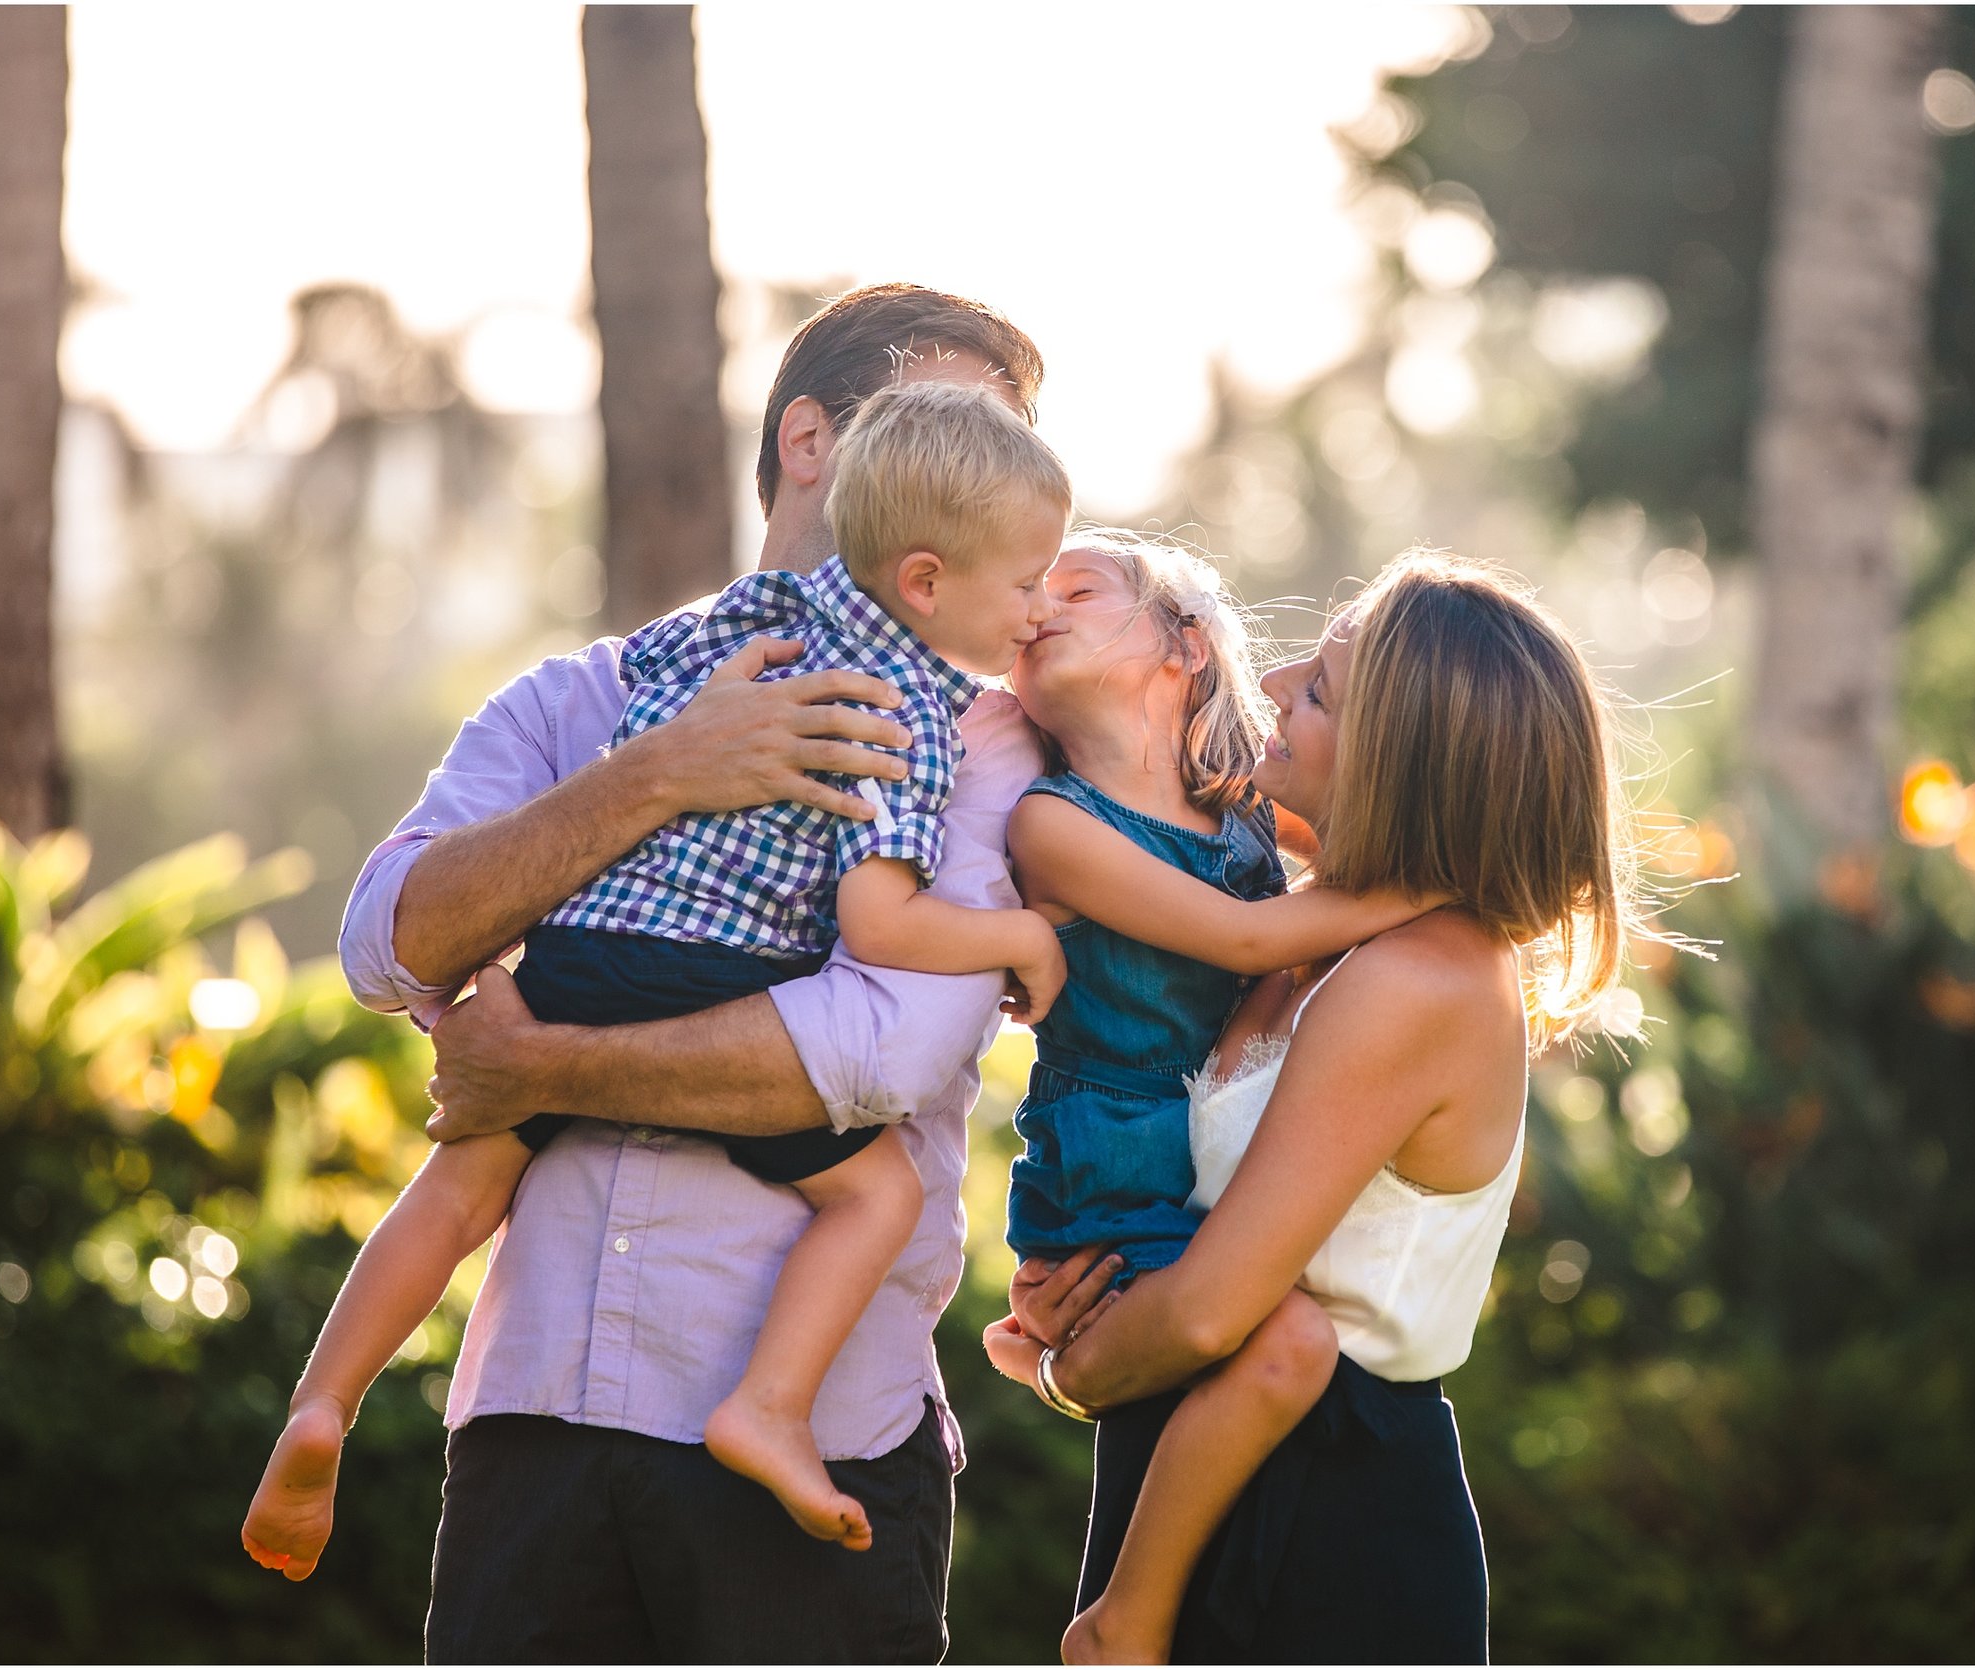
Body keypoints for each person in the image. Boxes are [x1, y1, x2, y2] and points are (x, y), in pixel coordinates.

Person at [284, 284, 1053, 1662]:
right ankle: (317, 1409)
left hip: (823, 1440)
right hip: (533, 1429)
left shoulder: (981, 741)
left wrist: (547, 1064)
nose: (990, 470)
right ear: (812, 440)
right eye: (946, 421)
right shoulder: (597, 695)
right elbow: (385, 941)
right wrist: (659, 773)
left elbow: (879, 1048)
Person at [988, 550, 1656, 1662]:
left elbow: (1209, 1313)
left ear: (1402, 758)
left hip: (1322, 1508)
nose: (1280, 677)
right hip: (1195, 1448)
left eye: (1322, 688)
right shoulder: (1308, 928)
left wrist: (1059, 1366)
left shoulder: (1420, 976)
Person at [996, 529, 1439, 1660]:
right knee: (1282, 1341)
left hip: (1208, 1163)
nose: (1037, 602)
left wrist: (1438, 860)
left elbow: (1356, 819)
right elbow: (1248, 930)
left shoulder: (1240, 800)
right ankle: (1123, 1620)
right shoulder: (1054, 825)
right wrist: (1433, 888)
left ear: (1181, 643)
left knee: (1269, 1330)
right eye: (1028, 591)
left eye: (1076, 585)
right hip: (1118, 1160)